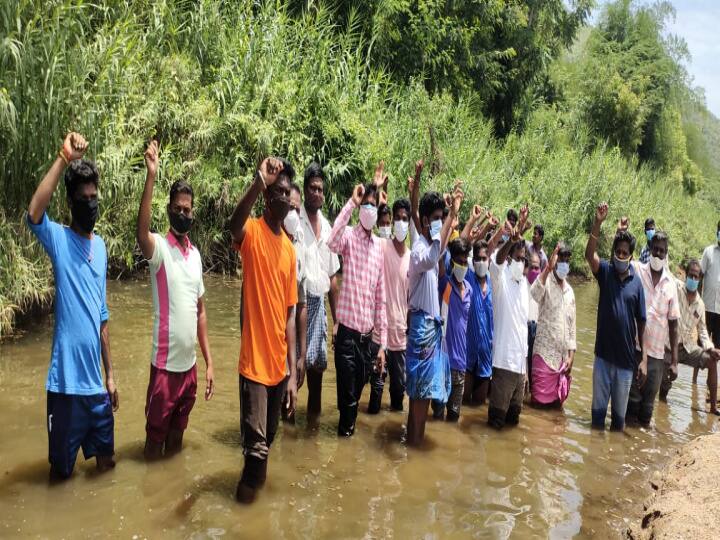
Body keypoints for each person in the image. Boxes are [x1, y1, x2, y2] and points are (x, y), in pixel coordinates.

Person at [27, 132, 118, 479]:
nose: (91, 204)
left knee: (107, 469)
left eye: (94, 197)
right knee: (61, 477)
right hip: (64, 389)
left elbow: (102, 316)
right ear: (71, 202)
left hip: (96, 389)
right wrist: (64, 157)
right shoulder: (59, 239)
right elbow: (34, 212)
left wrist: (111, 375)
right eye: (84, 198)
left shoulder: (103, 248)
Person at [137, 141, 214, 460]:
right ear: (169, 209)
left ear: (192, 212)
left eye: (187, 209)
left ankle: (171, 489)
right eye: (178, 208)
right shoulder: (159, 250)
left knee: (177, 440)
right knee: (154, 445)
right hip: (165, 369)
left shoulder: (195, 256)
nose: (183, 213)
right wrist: (151, 176)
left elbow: (201, 312)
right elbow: (140, 233)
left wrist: (209, 363)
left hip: (190, 368)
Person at [229, 157, 298, 503]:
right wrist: (259, 179)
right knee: (256, 455)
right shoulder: (253, 232)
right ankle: (242, 516)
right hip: (254, 367)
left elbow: (289, 314)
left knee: (265, 446)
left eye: (288, 192)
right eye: (279, 191)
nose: (285, 198)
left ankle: (250, 512)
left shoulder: (289, 249)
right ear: (267, 196)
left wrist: (293, 371)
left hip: (278, 368)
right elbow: (233, 225)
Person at [327, 180, 387, 437]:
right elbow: (331, 241)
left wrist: (382, 344)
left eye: (375, 205)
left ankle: (344, 426)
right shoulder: (350, 237)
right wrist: (352, 202)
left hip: (367, 341)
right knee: (351, 401)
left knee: (352, 394)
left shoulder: (379, 249)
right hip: (347, 338)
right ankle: (345, 440)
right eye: (367, 204)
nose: (370, 209)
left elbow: (380, 298)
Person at [406, 184, 463, 445]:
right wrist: (447, 219)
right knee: (420, 396)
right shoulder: (419, 249)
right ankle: (415, 446)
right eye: (436, 218)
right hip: (422, 327)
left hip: (429, 328)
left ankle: (413, 443)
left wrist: (453, 212)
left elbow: (440, 249)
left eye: (442, 218)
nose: (440, 223)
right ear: (425, 221)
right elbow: (432, 256)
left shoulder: (430, 247)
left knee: (423, 394)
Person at [586, 203, 646, 431]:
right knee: (597, 419)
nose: (620, 256)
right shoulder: (606, 273)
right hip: (602, 358)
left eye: (624, 253)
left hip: (625, 362)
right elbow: (589, 255)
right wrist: (598, 223)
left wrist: (645, 358)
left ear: (631, 256)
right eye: (617, 252)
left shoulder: (637, 284)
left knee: (618, 423)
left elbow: (642, 321)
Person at [298, 163, 340, 420]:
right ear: (304, 190)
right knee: (292, 372)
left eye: (320, 189)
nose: (317, 193)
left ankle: (311, 433)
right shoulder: (294, 221)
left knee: (316, 375)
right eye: (312, 188)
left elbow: (333, 279)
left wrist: (336, 322)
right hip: (296, 304)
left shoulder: (328, 227)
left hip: (319, 307)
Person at [624, 231, 679, 427]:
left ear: (666, 254)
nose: (657, 254)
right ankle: (627, 448)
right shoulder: (637, 271)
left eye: (661, 251)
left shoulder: (671, 284)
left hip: (657, 356)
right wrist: (621, 232)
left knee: (647, 408)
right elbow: (619, 260)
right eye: (655, 249)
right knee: (631, 404)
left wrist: (674, 361)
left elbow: (673, 324)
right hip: (635, 350)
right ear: (649, 249)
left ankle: (641, 450)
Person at [487, 209, 531, 429]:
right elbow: (496, 261)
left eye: (524, 259)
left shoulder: (524, 285)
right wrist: (510, 241)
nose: (520, 263)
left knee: (514, 424)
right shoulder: (500, 280)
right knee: (496, 423)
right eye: (517, 258)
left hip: (520, 368)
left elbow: (523, 329)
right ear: (510, 258)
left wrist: (526, 372)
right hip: (503, 364)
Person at [659, 259, 720, 414]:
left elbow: (703, 331)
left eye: (696, 277)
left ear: (700, 279)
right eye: (691, 276)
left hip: (686, 348)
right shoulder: (676, 288)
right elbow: (665, 269)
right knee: (664, 388)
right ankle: (662, 404)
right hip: (667, 346)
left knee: (712, 361)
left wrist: (710, 348)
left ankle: (713, 407)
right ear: (685, 275)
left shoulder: (700, 304)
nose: (693, 279)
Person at [368, 198, 412, 413]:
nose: (401, 223)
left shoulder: (413, 258)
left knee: (398, 395)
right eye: (398, 219)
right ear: (392, 221)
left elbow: (411, 300)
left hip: (401, 337)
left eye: (406, 219)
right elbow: (369, 228)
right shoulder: (382, 247)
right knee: (375, 392)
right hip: (379, 334)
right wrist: (378, 199)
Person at [529, 243, 576, 406]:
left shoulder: (570, 291)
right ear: (554, 261)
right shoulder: (546, 281)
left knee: (556, 412)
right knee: (538, 408)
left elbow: (572, 328)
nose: (564, 263)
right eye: (560, 259)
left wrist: (571, 357)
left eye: (567, 260)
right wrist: (547, 269)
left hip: (562, 361)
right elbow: (534, 293)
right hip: (544, 356)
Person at [431, 238, 473, 421]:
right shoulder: (446, 285)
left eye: (465, 262)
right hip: (443, 363)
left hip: (461, 365)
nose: (462, 266)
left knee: (454, 418)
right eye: (459, 262)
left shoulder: (469, 290)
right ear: (452, 262)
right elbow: (439, 257)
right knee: (438, 417)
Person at [280, 183, 308, 423]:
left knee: (289, 410)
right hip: (267, 344)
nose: (293, 215)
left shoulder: (300, 246)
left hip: (289, 346)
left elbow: (301, 305)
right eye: (289, 208)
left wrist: (301, 354)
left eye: (297, 211)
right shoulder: (267, 239)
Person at [463, 241, 494, 405]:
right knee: (462, 404)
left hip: (485, 357)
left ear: (489, 259)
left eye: (484, 258)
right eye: (478, 259)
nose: (481, 262)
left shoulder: (494, 283)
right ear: (473, 261)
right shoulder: (467, 278)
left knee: (478, 407)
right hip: (467, 354)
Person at [701, 221, 720, 348]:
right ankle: (696, 369)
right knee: (702, 348)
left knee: (717, 350)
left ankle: (714, 369)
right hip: (706, 308)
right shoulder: (708, 251)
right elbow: (699, 276)